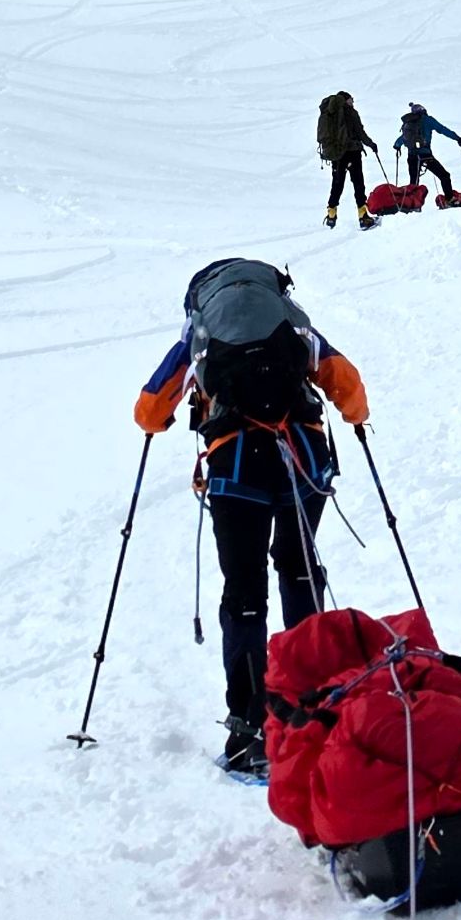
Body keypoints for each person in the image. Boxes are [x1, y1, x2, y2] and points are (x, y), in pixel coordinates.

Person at [132, 258, 370, 776]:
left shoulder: (199, 337)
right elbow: (347, 385)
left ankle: (248, 728)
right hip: (301, 461)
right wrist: (355, 419)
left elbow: (149, 410)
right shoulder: (293, 325)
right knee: (300, 568)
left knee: (244, 591)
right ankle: (311, 705)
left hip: (235, 468)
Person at [317, 91, 380, 230]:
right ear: (346, 100)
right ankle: (363, 217)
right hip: (352, 152)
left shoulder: (330, 113)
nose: (353, 102)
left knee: (337, 183)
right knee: (358, 183)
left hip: (337, 153)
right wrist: (371, 144)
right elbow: (360, 132)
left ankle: (331, 215)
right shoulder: (350, 112)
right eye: (351, 100)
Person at [393, 103, 461, 197]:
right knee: (444, 176)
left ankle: (411, 204)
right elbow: (442, 129)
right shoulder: (428, 120)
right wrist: (457, 138)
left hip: (412, 156)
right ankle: (449, 199)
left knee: (414, 182)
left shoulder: (409, 123)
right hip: (425, 155)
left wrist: (397, 145)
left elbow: (403, 138)